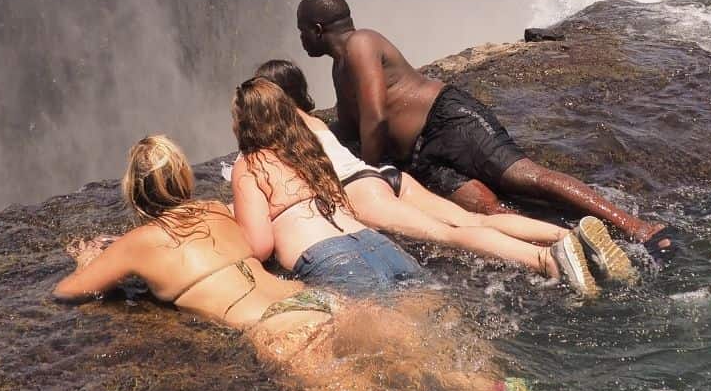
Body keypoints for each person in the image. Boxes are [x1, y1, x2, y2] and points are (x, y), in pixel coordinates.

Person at [53, 133, 553, 391]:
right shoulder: (213, 210)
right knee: (421, 366)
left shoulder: (134, 244)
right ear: (183, 179)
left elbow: (70, 293)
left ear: (136, 193)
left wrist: (86, 257)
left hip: (278, 330)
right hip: (320, 301)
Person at [296, 0, 677, 265]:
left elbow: (375, 117)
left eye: (302, 33)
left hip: (447, 121)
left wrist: (373, 173)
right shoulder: (339, 67)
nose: (301, 41)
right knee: (487, 211)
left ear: (316, 29)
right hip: (422, 158)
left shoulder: (362, 43)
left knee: (527, 177)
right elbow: (350, 130)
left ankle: (638, 228)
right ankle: (567, 250)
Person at [253, 59, 603, 295]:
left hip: (356, 192)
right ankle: (570, 235)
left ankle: (545, 260)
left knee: (449, 234)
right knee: (470, 220)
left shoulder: (278, 132)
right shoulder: (314, 121)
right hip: (384, 176)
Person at [229, 77, 428, 296]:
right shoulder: (308, 151)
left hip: (331, 258)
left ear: (243, 123)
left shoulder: (249, 165)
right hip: (379, 245)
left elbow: (260, 246)